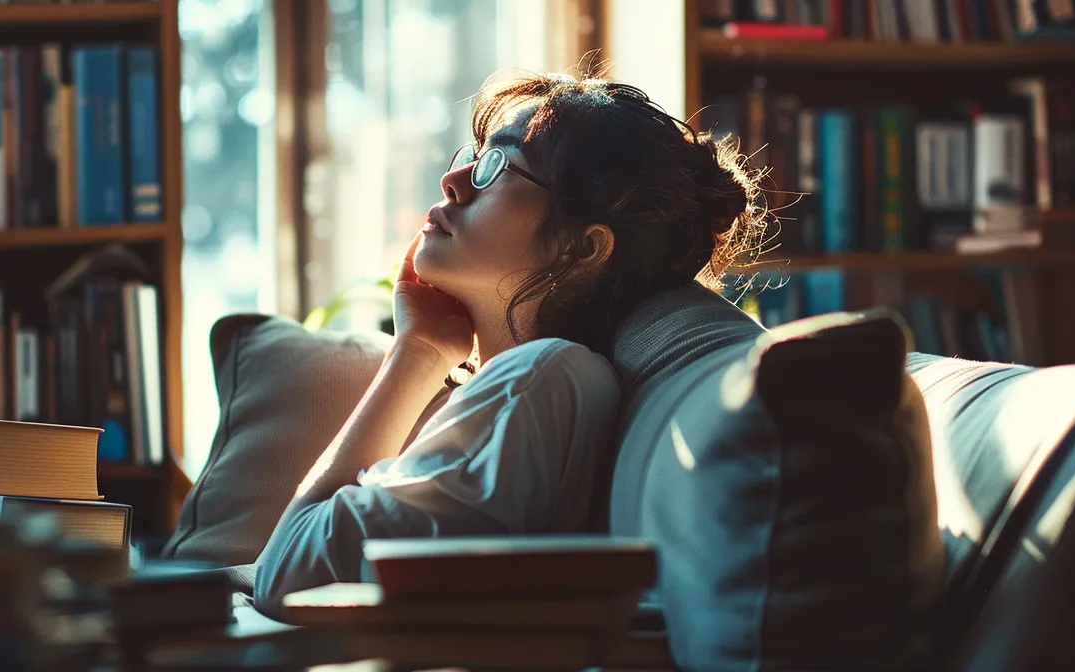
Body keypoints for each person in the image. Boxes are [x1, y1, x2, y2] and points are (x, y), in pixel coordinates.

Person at [250, 68, 768, 611]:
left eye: (499, 164)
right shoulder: (544, 382)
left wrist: (416, 355)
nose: (455, 181)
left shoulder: (543, 379)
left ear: (583, 248)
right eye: (473, 155)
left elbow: (285, 575)